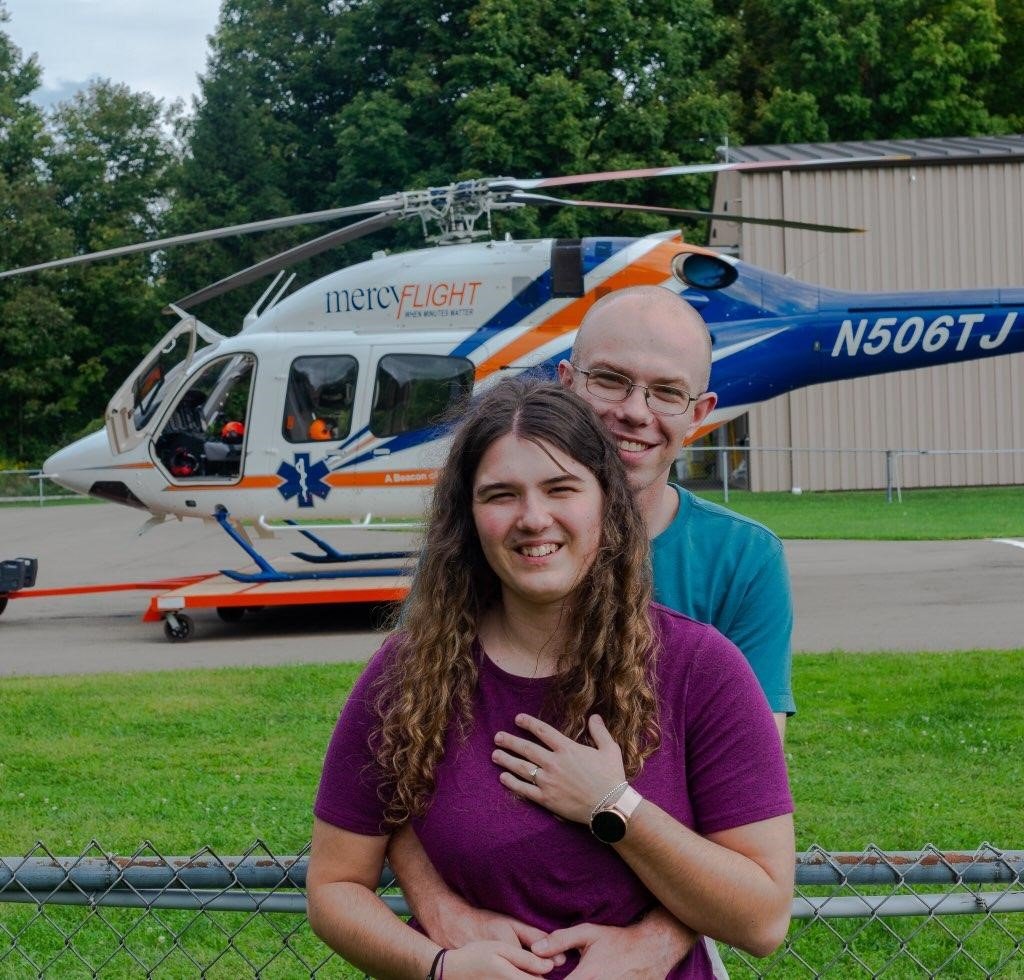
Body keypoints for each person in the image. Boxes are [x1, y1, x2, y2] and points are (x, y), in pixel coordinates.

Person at [307, 378, 794, 979]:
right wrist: (441, 968)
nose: (533, 519)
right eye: (501, 495)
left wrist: (613, 806)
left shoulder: (702, 669)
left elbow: (763, 920)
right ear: (466, 516)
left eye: (561, 488)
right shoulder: (407, 675)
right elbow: (334, 886)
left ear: (606, 501)